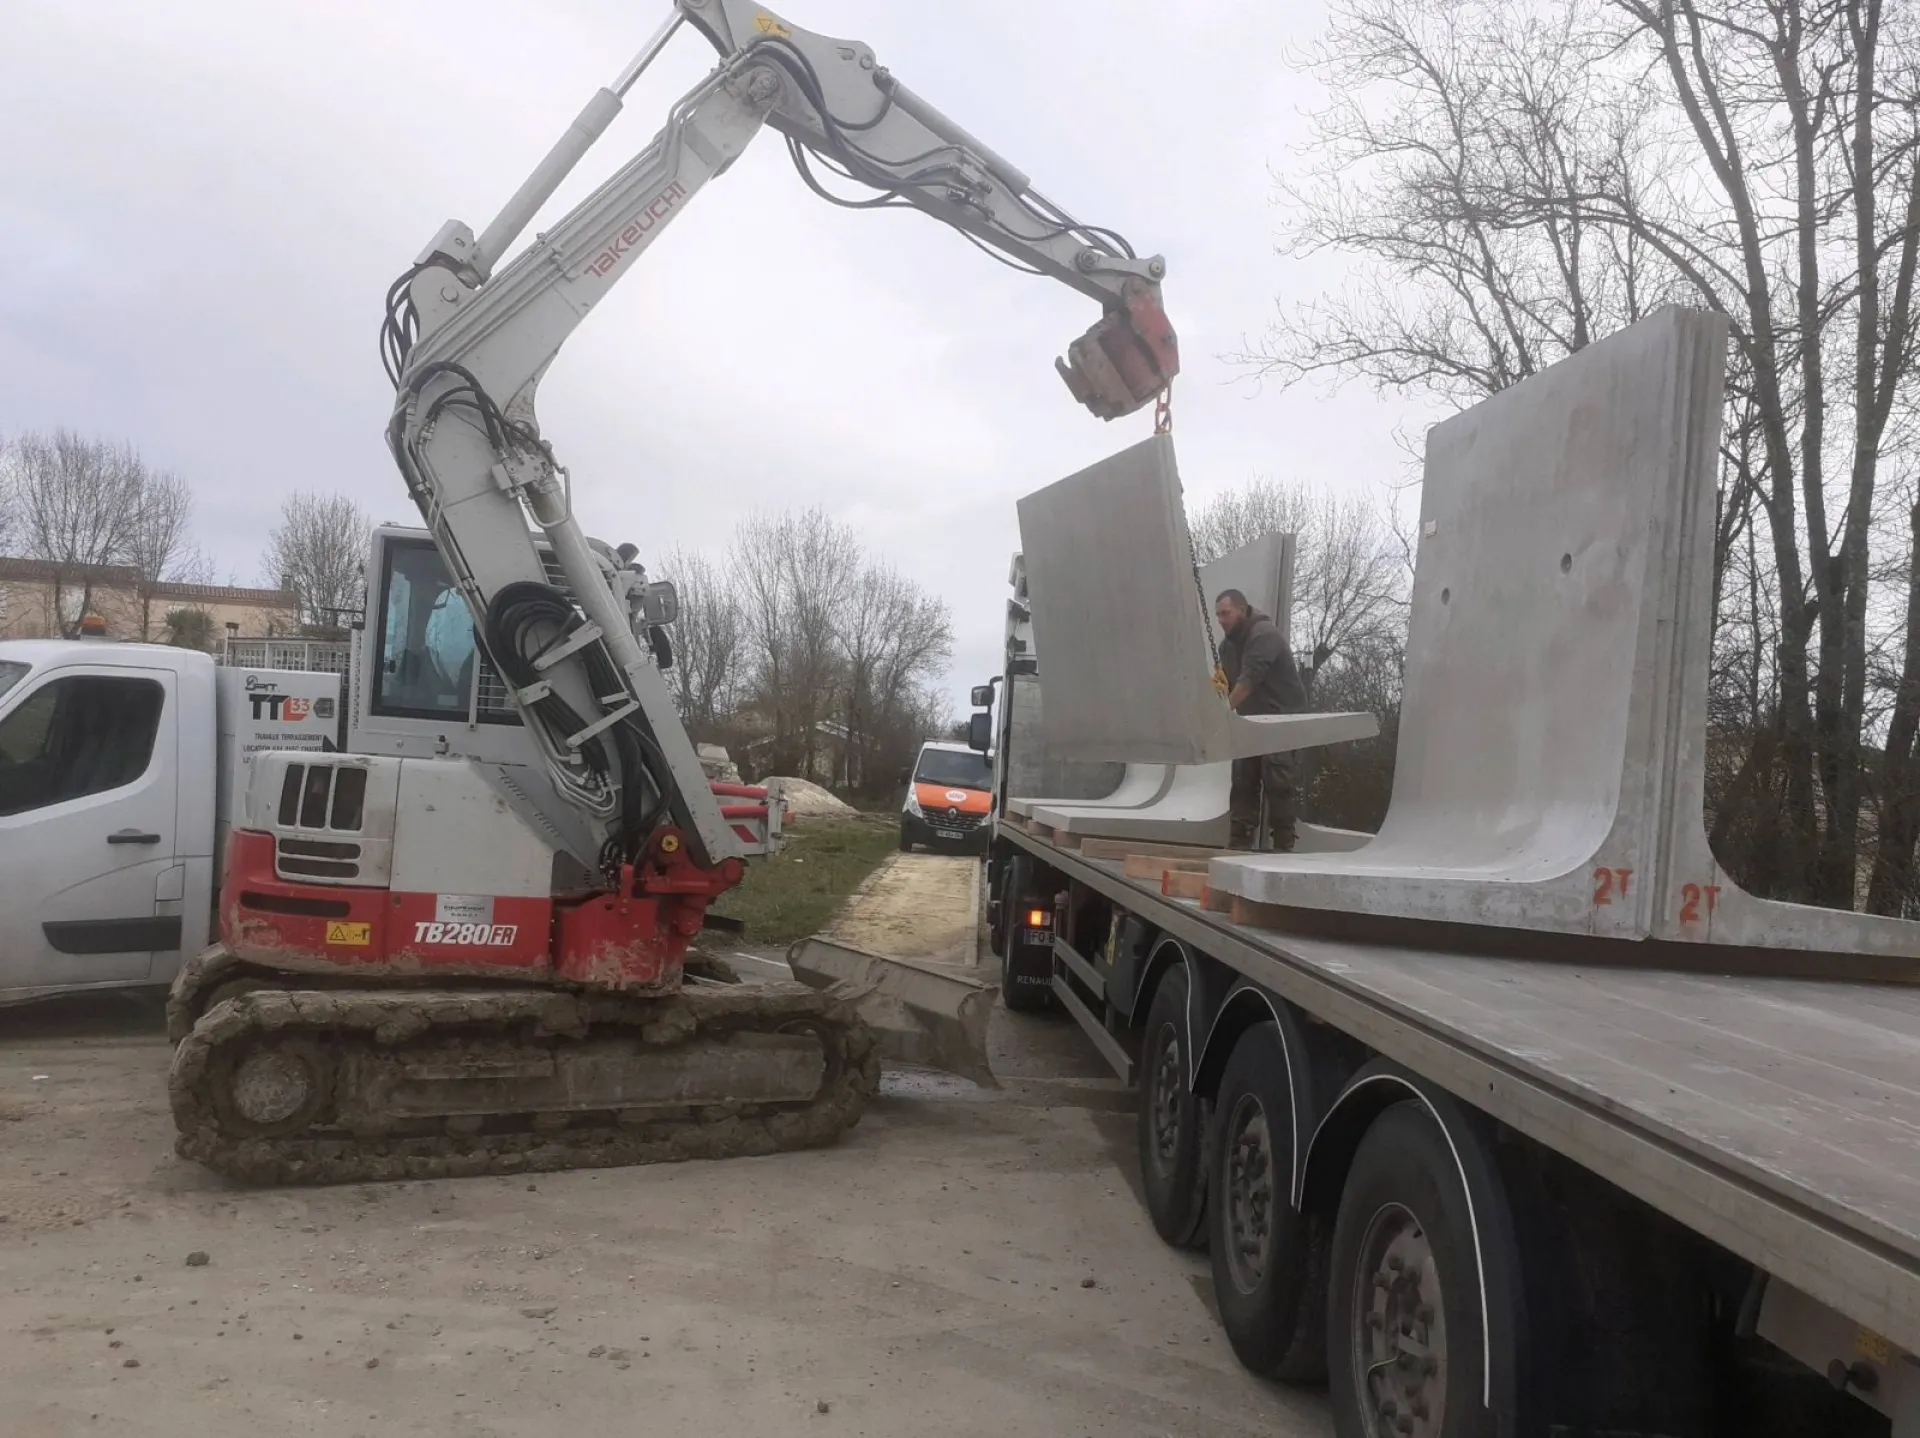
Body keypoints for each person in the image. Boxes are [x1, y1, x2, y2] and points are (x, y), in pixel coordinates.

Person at [1212, 588, 1306, 852]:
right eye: (1218, 615)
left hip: (1282, 717)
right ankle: (1239, 843)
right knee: (1242, 779)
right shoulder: (1226, 647)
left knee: (1278, 779)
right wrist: (1218, 691)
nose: (1221, 620)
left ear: (1242, 610)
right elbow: (1231, 686)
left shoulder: (1265, 635)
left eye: (1226, 613)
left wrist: (1220, 712)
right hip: (1251, 718)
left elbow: (1248, 682)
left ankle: (1284, 845)